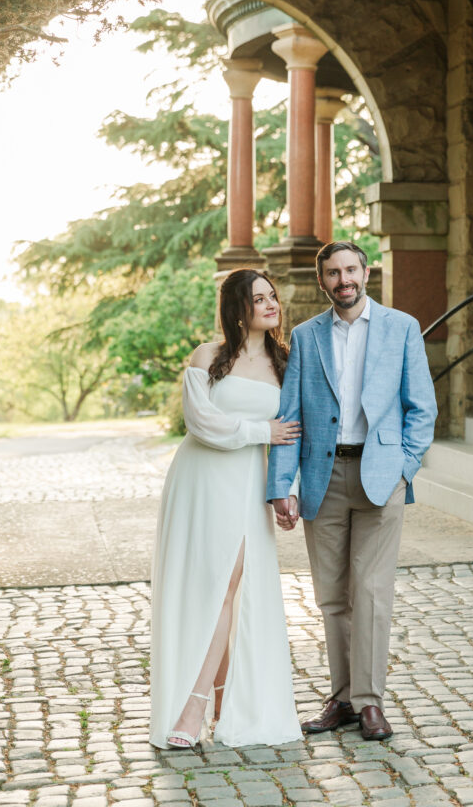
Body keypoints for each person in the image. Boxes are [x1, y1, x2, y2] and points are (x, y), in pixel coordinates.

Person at [267, 241, 437, 741]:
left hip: (381, 476)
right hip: (324, 478)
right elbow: (290, 416)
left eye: (350, 270)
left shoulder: (402, 327)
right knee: (332, 597)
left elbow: (421, 408)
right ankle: (340, 698)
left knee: (370, 590)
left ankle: (369, 702)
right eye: (333, 274)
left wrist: (405, 466)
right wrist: (282, 485)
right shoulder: (305, 336)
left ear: (365, 272)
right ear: (322, 282)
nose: (343, 280)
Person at [150, 269, 303, 750]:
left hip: (246, 483)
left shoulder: (286, 363)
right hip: (199, 479)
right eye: (258, 298)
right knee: (206, 588)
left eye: (272, 296)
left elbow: (296, 434)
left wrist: (287, 488)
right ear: (238, 308)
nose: (270, 304)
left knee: (231, 585)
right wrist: (261, 431)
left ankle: (198, 707)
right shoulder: (208, 356)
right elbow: (201, 423)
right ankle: (213, 698)